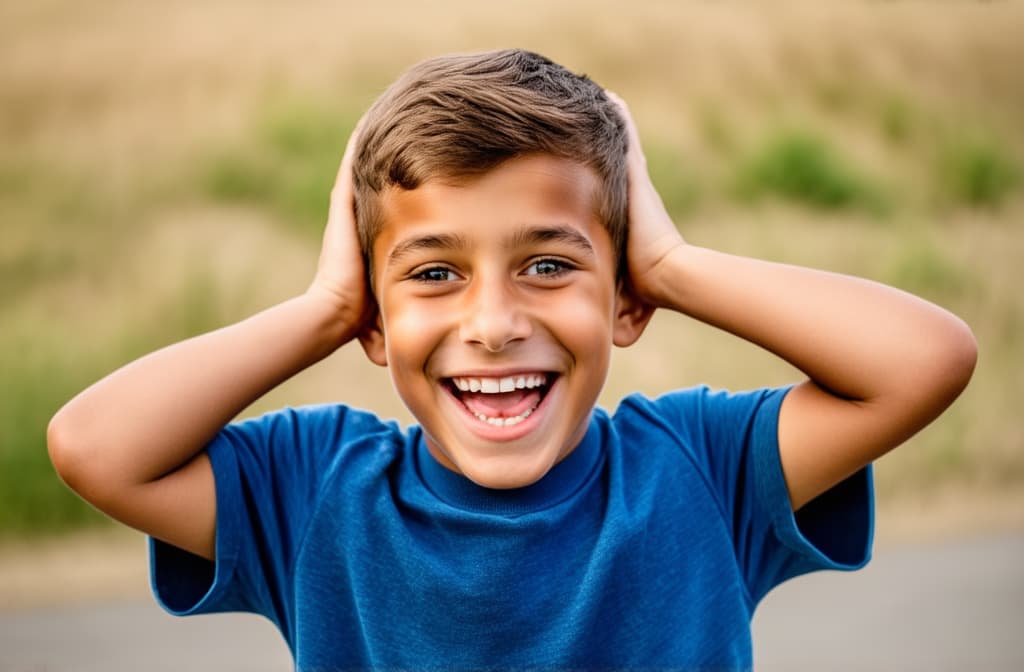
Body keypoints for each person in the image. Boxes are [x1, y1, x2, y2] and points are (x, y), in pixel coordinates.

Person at [48, 49, 977, 669]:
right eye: (436, 272)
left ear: (623, 299)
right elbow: (95, 446)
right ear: (375, 317)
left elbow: (925, 360)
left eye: (546, 264)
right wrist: (324, 308)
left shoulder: (700, 468)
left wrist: (670, 265)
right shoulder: (313, 489)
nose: (492, 322)